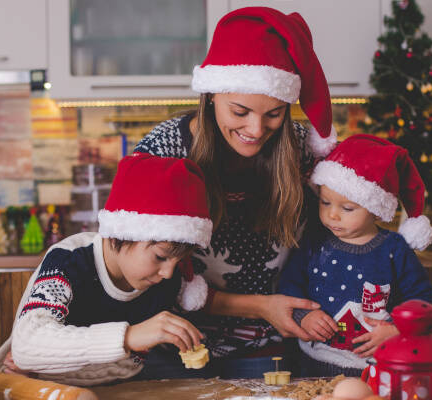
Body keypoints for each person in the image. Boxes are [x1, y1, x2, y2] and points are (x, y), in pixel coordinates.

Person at [133, 7, 337, 378]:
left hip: (268, 345)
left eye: (274, 113)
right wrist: (261, 305)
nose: (257, 129)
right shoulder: (164, 150)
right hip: (175, 345)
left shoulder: (302, 147)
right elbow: (135, 266)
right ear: (212, 94)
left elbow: (347, 214)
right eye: (240, 111)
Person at [0, 154, 213, 386]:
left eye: (179, 260)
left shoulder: (165, 281)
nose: (168, 273)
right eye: (160, 256)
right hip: (22, 387)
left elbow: (124, 369)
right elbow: (27, 345)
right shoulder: (69, 261)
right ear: (120, 234)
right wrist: (129, 336)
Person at [278, 134, 432, 377]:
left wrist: (397, 330)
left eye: (347, 208)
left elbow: (421, 299)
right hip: (313, 364)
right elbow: (289, 284)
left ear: (376, 210)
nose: (333, 215)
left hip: (377, 368)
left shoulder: (394, 249)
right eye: (325, 202)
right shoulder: (313, 241)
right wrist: (304, 315)